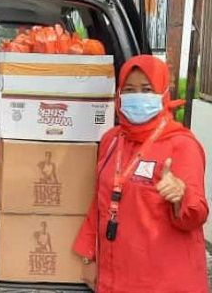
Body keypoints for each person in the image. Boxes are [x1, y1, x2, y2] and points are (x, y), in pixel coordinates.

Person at [73, 55, 208, 292]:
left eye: (146, 90)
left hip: (165, 281)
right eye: (129, 89)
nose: (138, 96)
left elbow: (196, 214)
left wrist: (181, 195)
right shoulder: (112, 140)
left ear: (163, 93)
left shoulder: (181, 145)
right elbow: (101, 201)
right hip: (116, 275)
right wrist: (89, 256)